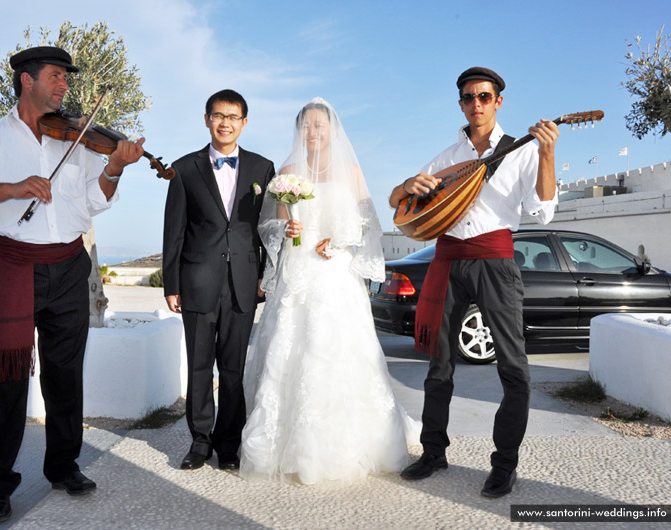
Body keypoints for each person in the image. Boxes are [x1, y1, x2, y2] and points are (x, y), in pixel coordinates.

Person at [0, 46, 144, 523]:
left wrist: (115, 166)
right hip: (15, 265)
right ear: (26, 81)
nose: (64, 86)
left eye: (65, 79)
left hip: (71, 265)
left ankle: (64, 466)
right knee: (6, 377)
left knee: (65, 373)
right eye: (56, 77)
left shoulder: (74, 137)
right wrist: (13, 188)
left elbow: (96, 199)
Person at [390, 67, 560, 498]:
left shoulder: (521, 150)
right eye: (469, 97)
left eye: (485, 96)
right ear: (461, 103)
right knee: (439, 365)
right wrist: (408, 184)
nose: (477, 103)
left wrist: (546, 155)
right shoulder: (448, 157)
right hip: (446, 260)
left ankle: (504, 466)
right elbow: (397, 200)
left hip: (494, 262)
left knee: (512, 367)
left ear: (498, 101)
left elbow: (543, 213)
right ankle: (433, 453)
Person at [240, 98, 421, 485]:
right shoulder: (286, 172)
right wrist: (283, 231)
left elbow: (367, 222)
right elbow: (267, 226)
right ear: (299, 131)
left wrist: (338, 242)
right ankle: (283, 443)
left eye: (320, 125)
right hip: (298, 271)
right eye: (307, 126)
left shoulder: (351, 171)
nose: (313, 132)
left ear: (332, 129)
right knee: (290, 349)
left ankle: (348, 442)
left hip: (334, 272)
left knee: (338, 350)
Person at [162, 89, 275, 471]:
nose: (225, 122)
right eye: (218, 115)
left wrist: (265, 275)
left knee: (233, 367)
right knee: (197, 365)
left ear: (245, 122)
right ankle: (198, 442)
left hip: (244, 282)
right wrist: (171, 284)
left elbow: (266, 229)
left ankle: (229, 444)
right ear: (207, 119)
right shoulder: (184, 168)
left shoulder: (263, 168)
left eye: (233, 116)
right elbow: (173, 231)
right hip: (196, 280)